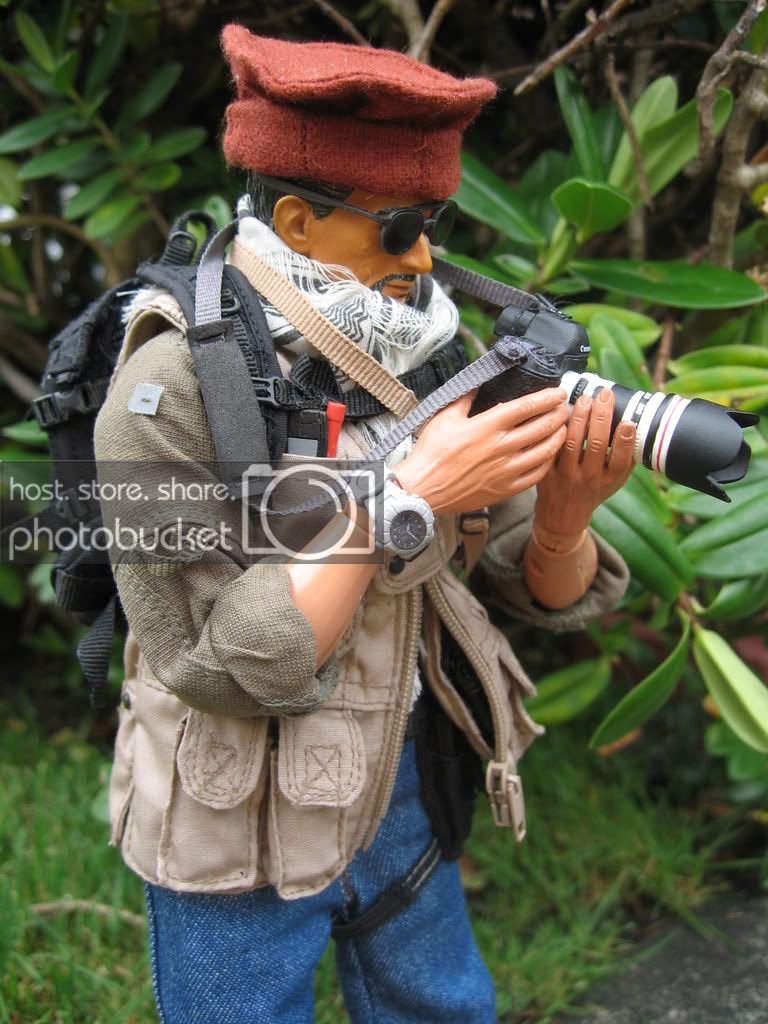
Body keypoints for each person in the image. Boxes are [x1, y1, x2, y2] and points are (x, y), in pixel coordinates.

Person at [94, 26, 635, 1024]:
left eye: (434, 223)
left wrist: (564, 516)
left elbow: (533, 582)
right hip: (236, 815)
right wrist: (401, 500)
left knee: (441, 1006)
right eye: (399, 229)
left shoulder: (433, 353)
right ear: (298, 220)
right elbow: (212, 663)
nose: (423, 256)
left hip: (400, 772)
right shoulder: (169, 387)